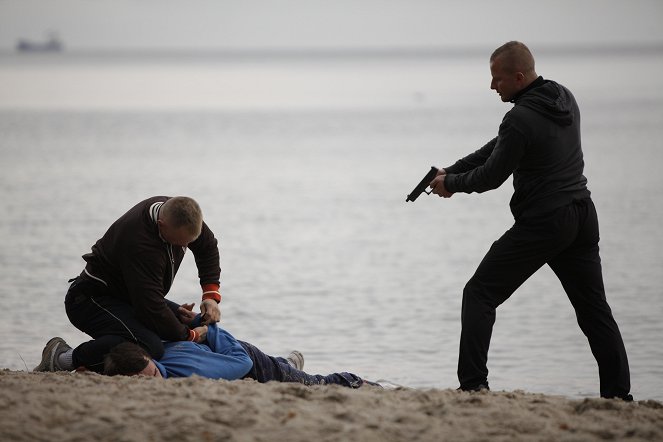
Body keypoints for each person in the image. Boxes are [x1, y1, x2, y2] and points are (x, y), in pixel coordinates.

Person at [429, 41, 631, 400]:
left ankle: (473, 387)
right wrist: (452, 170)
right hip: (582, 215)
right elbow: (498, 146)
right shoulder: (562, 97)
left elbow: (492, 175)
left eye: (498, 79)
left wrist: (452, 186)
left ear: (519, 77)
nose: (493, 87)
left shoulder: (519, 117)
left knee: (479, 293)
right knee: (594, 311)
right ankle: (618, 397)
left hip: (545, 221)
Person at [34, 196, 222, 374]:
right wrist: (190, 336)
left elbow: (207, 247)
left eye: (189, 242)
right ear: (161, 225)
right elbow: (151, 308)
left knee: (184, 320)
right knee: (149, 346)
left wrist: (210, 297)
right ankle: (62, 359)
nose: (186, 245)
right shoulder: (140, 242)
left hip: (131, 296)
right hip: (91, 300)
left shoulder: (183, 212)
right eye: (180, 243)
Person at [103, 315, 373, 389]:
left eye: (150, 373)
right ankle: (286, 363)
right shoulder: (144, 360)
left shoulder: (190, 373)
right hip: (225, 352)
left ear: (148, 357)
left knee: (316, 384)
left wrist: (208, 329)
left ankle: (357, 381)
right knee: (283, 368)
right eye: (142, 379)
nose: (152, 379)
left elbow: (241, 363)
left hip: (248, 360)